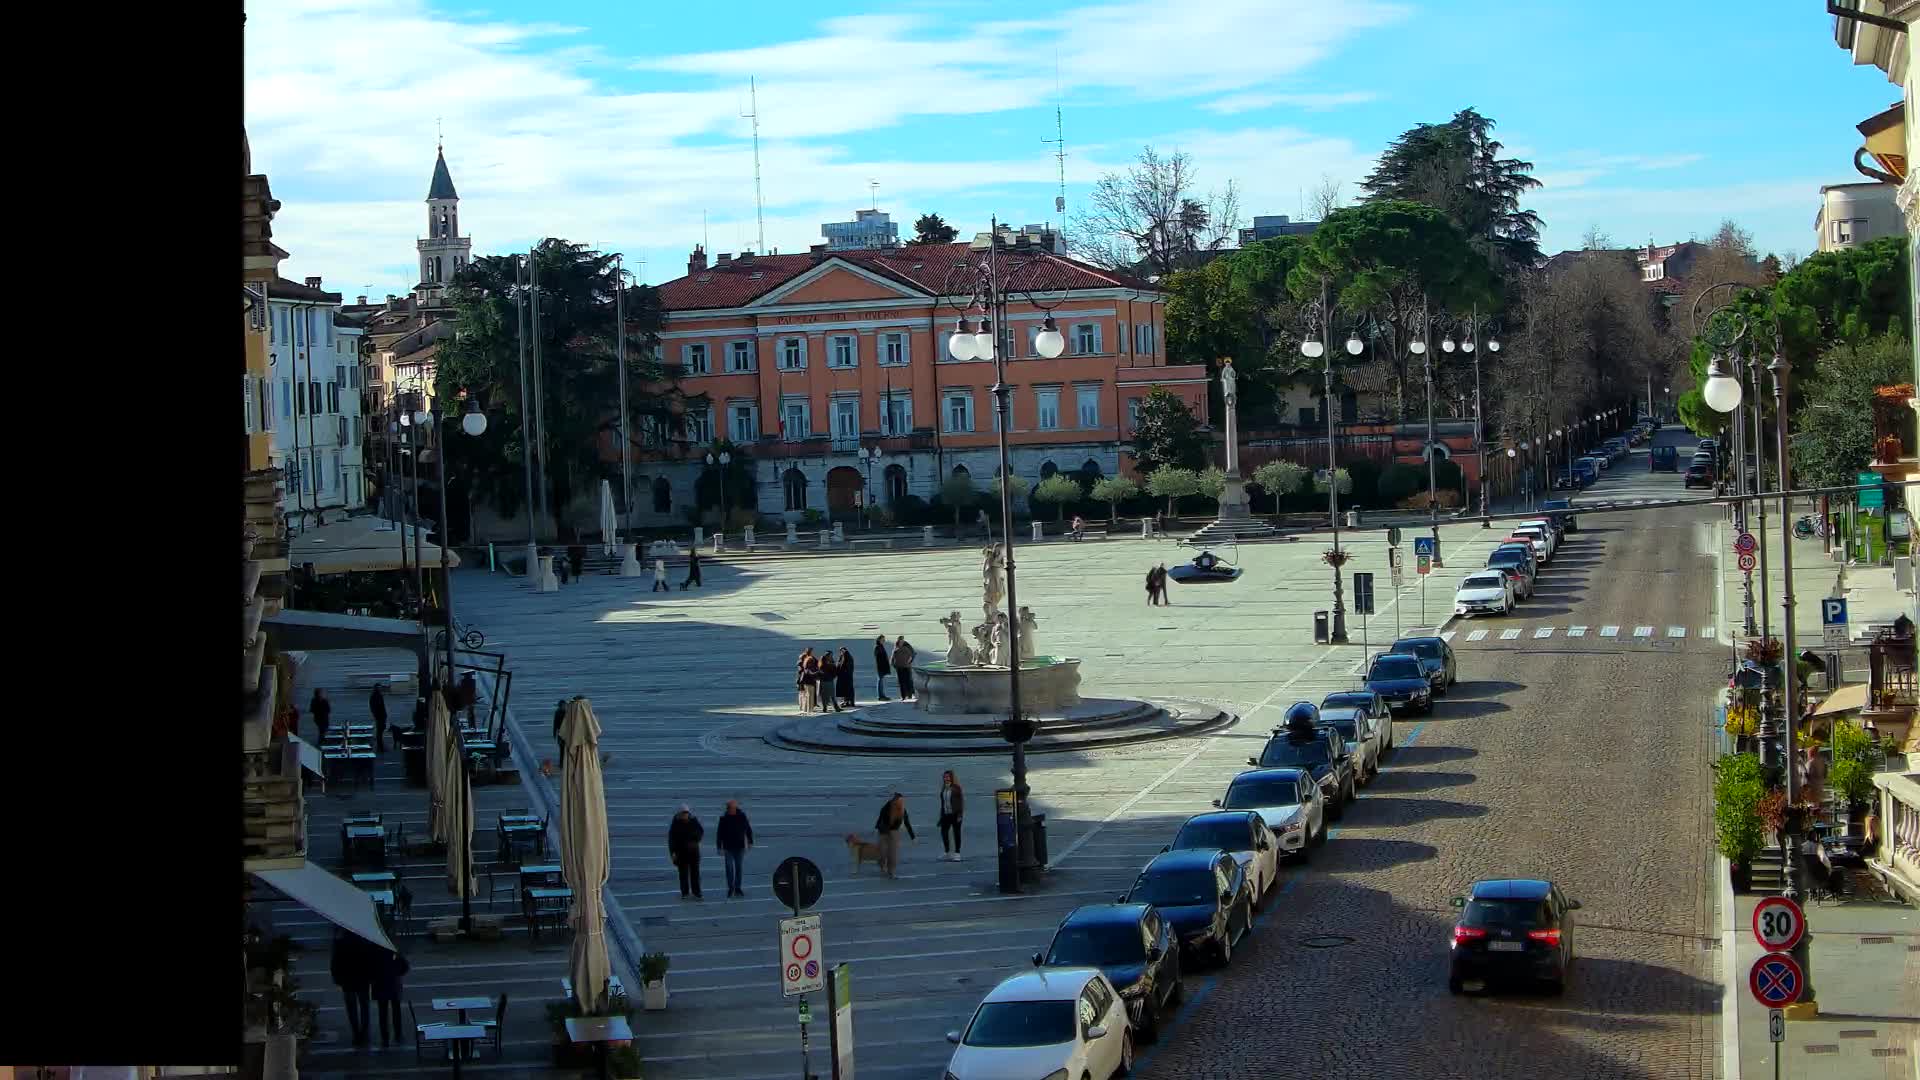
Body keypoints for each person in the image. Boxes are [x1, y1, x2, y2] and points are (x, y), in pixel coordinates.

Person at [329, 929, 373, 1047]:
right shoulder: (364, 941)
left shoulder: (340, 943)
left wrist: (337, 978)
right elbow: (370, 961)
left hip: (347, 981)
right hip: (362, 979)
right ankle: (364, 1033)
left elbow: (335, 963)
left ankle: (356, 1034)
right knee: (364, 1007)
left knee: (352, 1008)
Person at [369, 945, 411, 1048]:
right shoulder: (393, 950)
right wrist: (397, 973)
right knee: (396, 1011)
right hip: (393, 983)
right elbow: (405, 966)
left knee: (383, 1012)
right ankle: (398, 1035)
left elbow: (370, 969)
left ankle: (385, 1038)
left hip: (380, 984)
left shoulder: (375, 951)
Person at [716, 799, 754, 898]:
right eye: (728, 808)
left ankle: (737, 887)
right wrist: (719, 846)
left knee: (738, 868)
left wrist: (750, 841)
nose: (729, 809)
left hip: (739, 846)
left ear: (735, 808)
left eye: (730, 808)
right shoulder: (724, 818)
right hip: (728, 847)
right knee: (729, 868)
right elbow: (719, 833)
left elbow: (748, 829)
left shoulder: (742, 817)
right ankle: (731, 888)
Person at [874, 792, 916, 879]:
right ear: (894, 800)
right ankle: (882, 865)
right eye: (898, 801)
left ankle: (891, 872)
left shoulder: (902, 810)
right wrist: (877, 828)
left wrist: (913, 837)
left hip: (894, 832)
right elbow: (881, 817)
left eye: (901, 801)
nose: (900, 803)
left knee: (893, 853)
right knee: (882, 851)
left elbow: (907, 823)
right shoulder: (887, 806)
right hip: (883, 831)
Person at [668, 805, 704, 899]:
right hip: (681, 852)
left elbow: (700, 831)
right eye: (683, 813)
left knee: (695, 873)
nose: (685, 815)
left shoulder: (693, 821)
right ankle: (685, 892)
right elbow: (671, 839)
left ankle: (696, 892)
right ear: (679, 813)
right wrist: (672, 853)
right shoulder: (676, 823)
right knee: (683, 873)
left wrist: (696, 839)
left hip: (693, 851)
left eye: (686, 813)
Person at [936, 770, 965, 862]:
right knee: (944, 833)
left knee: (956, 833)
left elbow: (961, 802)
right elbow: (943, 803)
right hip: (946, 814)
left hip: (955, 814)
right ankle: (947, 852)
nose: (946, 779)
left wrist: (960, 814)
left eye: (948, 777)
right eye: (944, 777)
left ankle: (957, 853)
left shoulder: (956, 788)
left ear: (951, 778)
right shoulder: (944, 788)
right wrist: (941, 816)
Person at [368, 684, 389, 752]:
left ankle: (380, 746)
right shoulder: (376, 696)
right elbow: (379, 707)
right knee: (379, 732)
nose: (380, 689)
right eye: (379, 688)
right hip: (380, 716)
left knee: (380, 731)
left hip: (380, 716)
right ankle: (380, 747)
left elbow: (375, 707)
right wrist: (377, 715)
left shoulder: (376, 696)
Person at [872, 635, 892, 701]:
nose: (884, 640)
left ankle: (882, 695)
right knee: (880, 681)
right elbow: (878, 658)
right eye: (883, 639)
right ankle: (880, 696)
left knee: (881, 681)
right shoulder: (878, 647)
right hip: (880, 667)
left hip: (882, 666)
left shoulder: (880, 647)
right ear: (879, 640)